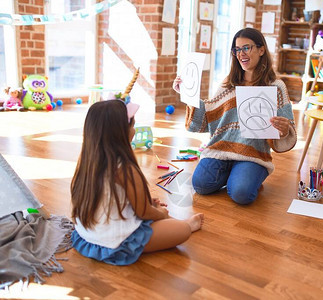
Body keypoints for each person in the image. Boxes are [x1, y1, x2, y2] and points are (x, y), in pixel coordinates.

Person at [70, 99, 204, 266]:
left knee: (156, 210)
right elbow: (143, 213)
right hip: (115, 243)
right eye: (132, 125)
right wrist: (160, 213)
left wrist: (148, 205)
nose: (134, 129)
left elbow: (110, 200)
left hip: (87, 236)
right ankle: (185, 225)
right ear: (121, 132)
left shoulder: (87, 161)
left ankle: (167, 220)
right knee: (182, 230)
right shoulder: (124, 168)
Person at [173, 28, 297, 205]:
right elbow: (209, 114)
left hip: (253, 154)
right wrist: (187, 94)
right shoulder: (229, 83)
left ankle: (247, 174)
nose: (241, 54)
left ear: (261, 50)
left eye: (246, 48)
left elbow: (288, 131)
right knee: (200, 185)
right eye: (237, 50)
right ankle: (237, 174)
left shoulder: (276, 87)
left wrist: (284, 130)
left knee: (241, 194)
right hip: (222, 149)